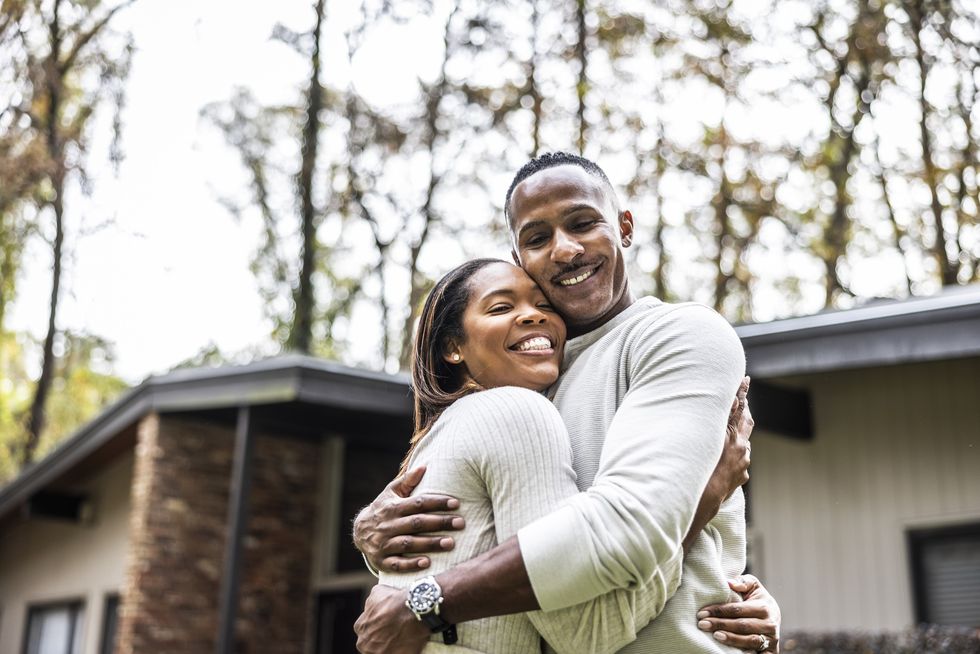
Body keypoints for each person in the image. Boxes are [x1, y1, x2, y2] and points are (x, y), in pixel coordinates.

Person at [354, 152, 781, 653]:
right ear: (520, 258)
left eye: (583, 223)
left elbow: (631, 529)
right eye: (537, 238)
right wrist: (367, 535)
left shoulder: (677, 335)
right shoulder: (523, 382)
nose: (565, 249)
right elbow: (471, 532)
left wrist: (427, 602)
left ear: (624, 227)